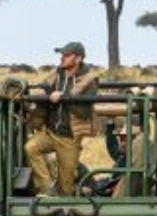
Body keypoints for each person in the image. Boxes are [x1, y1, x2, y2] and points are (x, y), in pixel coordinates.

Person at [24, 41, 100, 196]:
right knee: (30, 148)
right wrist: (42, 92)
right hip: (51, 132)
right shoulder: (58, 72)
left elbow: (84, 111)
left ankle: (62, 203)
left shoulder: (90, 80)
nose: (62, 58)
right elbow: (44, 86)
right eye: (62, 55)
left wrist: (63, 97)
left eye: (66, 55)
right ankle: (47, 189)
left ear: (78, 59)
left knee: (66, 188)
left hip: (69, 138)